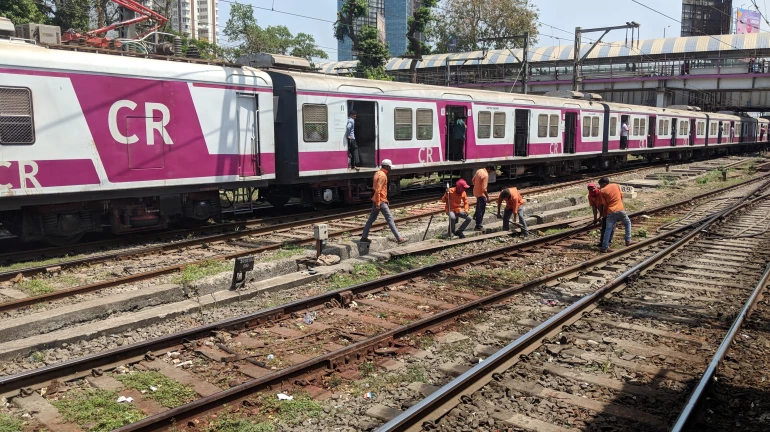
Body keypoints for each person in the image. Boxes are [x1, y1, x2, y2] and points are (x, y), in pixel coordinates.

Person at [360, 159, 407, 244]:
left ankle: (364, 237)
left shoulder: (377, 173)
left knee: (371, 220)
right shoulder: (383, 176)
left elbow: (375, 190)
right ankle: (399, 238)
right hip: (380, 201)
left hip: (377, 200)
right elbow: (378, 190)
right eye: (389, 167)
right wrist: (378, 204)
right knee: (390, 219)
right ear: (386, 167)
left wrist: (382, 201)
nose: (390, 169)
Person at [598, 177, 632, 253]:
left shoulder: (602, 191)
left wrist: (603, 215)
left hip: (611, 211)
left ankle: (604, 247)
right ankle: (628, 240)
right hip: (621, 209)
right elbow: (621, 196)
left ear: (604, 183)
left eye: (600, 185)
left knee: (608, 229)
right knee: (627, 223)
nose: (600, 187)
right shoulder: (616, 185)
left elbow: (604, 204)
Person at [472, 164, 495, 230]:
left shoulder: (479, 171)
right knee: (481, 210)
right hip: (481, 195)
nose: (490, 173)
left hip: (476, 192)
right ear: (489, 169)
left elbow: (473, 180)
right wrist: (488, 197)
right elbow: (484, 189)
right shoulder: (485, 175)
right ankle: (478, 226)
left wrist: (477, 187)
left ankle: (476, 216)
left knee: (478, 207)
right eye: (491, 171)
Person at [587, 183, 606, 247]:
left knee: (606, 227)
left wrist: (600, 216)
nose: (592, 190)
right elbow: (594, 207)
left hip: (608, 210)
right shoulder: (590, 196)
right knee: (603, 227)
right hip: (602, 211)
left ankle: (606, 243)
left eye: (593, 188)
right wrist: (595, 218)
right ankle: (603, 241)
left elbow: (603, 206)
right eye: (590, 189)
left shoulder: (600, 193)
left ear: (596, 187)